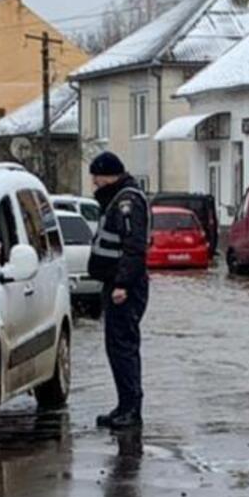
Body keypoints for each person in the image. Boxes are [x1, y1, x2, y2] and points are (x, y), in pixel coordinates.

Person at [86, 151, 151, 430]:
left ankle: (131, 409)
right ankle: (124, 406)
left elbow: (134, 247)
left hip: (124, 286)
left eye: (97, 178)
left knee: (123, 348)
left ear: (108, 174)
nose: (95, 184)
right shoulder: (117, 199)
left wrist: (122, 284)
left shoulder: (127, 202)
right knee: (117, 348)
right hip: (115, 283)